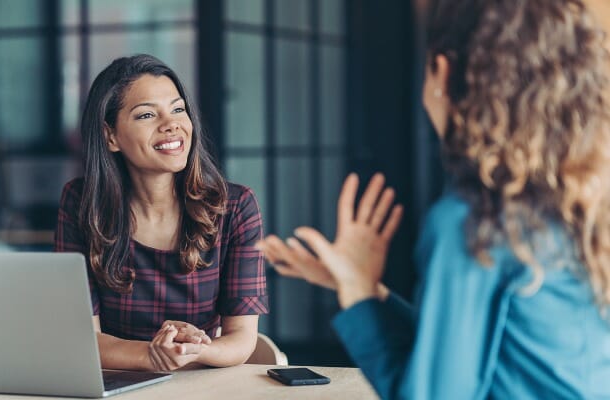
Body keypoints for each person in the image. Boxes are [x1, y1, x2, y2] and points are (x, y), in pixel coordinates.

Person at [257, 0, 610, 398]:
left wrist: (357, 294)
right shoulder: (578, 198)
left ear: (441, 72)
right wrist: (366, 290)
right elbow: (472, 348)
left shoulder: (476, 219)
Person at [55, 54, 268, 372]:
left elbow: (242, 337)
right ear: (110, 135)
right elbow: (83, 337)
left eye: (178, 109)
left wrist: (192, 349)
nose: (172, 125)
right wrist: (152, 355)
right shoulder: (81, 203)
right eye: (146, 115)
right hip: (117, 384)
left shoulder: (236, 206)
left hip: (202, 383)